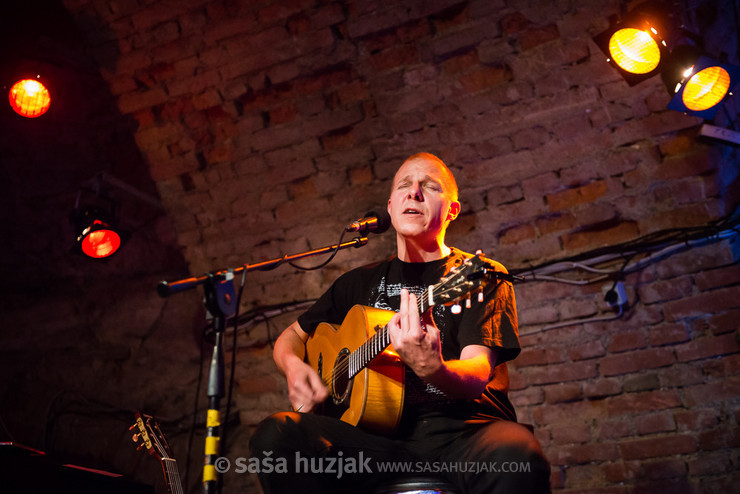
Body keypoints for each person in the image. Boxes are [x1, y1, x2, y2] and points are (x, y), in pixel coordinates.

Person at [249, 152, 550, 493]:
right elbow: (291, 337)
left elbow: (477, 372)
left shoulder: (480, 275)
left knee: (517, 453)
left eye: (430, 186)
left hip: (462, 434)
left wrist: (433, 368)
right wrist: (293, 367)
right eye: (404, 186)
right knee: (277, 435)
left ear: (451, 211)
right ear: (391, 207)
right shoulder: (355, 284)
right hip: (374, 445)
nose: (414, 192)